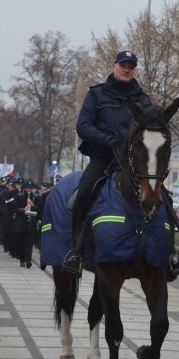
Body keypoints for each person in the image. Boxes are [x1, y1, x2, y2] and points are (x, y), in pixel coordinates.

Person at [62, 50, 150, 276]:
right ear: (114, 66)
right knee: (83, 195)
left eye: (131, 66)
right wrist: (109, 140)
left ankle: (165, 253)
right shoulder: (97, 95)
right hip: (104, 158)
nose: (127, 69)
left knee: (160, 196)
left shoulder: (142, 99)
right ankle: (76, 251)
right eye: (123, 65)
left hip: (133, 163)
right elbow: (83, 126)